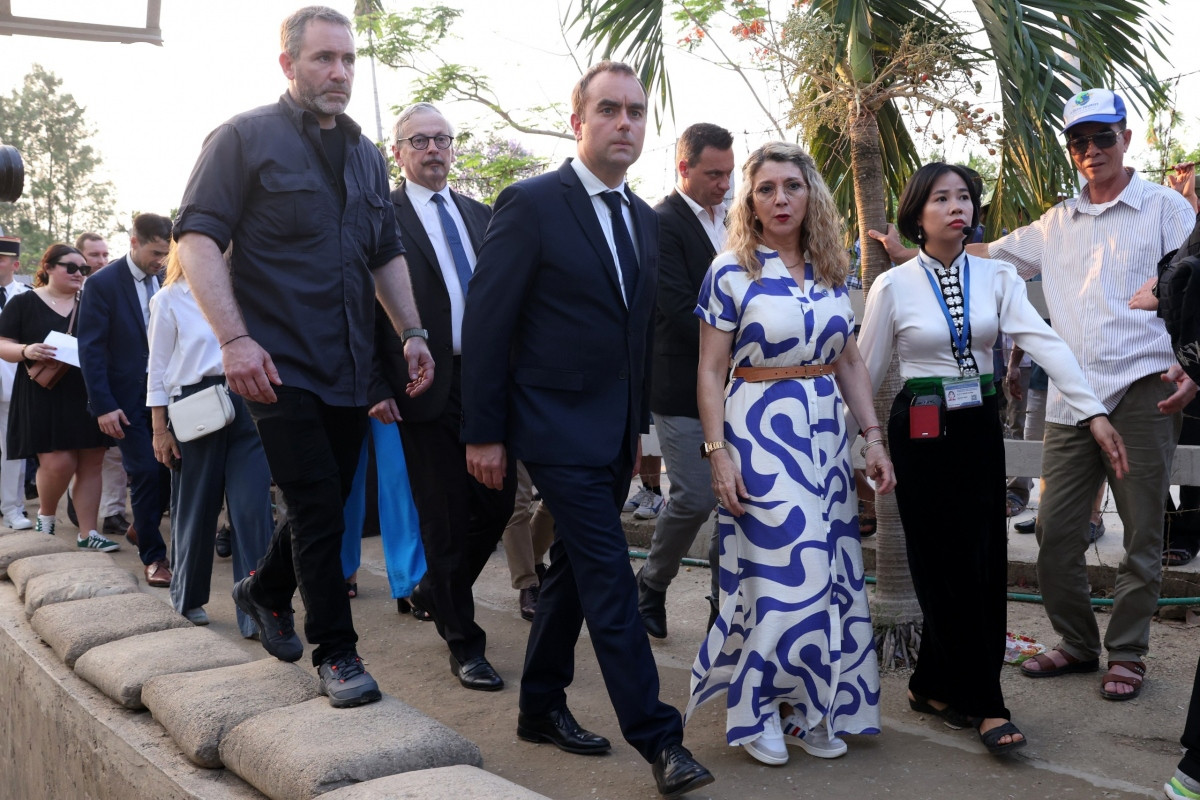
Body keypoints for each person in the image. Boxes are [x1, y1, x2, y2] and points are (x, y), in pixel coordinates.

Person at [870, 89, 1195, 703]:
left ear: (1126, 138)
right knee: (1054, 532)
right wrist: (909, 254)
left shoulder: (1165, 208)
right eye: (1080, 141)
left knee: (1141, 534)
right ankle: (1077, 642)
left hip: (1143, 390)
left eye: (1103, 136)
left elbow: (1192, 280)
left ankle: (1128, 652)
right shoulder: (1055, 223)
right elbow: (979, 253)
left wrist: (1192, 359)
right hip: (1073, 402)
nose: (1092, 149)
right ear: (1071, 151)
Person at [462, 61, 714, 799]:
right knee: (608, 576)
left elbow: (636, 334)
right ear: (578, 122)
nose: (624, 123)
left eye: (636, 111)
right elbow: (487, 324)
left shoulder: (643, 218)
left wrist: (636, 433)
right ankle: (660, 739)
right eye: (609, 109)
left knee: (573, 569)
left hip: (613, 433)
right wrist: (484, 432)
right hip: (551, 427)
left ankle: (539, 705)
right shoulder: (531, 203)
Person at [173, 5, 433, 709]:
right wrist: (234, 341)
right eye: (323, 58)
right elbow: (196, 239)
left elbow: (385, 252)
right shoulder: (241, 138)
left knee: (330, 499)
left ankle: (263, 588)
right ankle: (337, 653)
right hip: (275, 363)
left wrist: (412, 332)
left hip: (349, 365)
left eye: (347, 60)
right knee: (317, 503)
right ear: (288, 64)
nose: (339, 73)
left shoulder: (366, 154)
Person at [859, 161, 1128, 754]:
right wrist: (848, 445)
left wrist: (1092, 410)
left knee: (981, 562)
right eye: (941, 198)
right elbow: (865, 370)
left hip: (977, 429)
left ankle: (931, 685)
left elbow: (1044, 342)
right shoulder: (892, 286)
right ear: (916, 214)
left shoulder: (997, 277)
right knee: (941, 564)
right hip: (921, 433)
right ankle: (987, 704)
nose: (957, 207)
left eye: (964, 197)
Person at [686, 141, 894, 767]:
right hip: (757, 437)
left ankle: (813, 707)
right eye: (766, 188)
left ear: (811, 196)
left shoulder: (833, 268)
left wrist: (872, 438)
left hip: (824, 442)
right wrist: (718, 453)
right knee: (779, 579)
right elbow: (710, 369)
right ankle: (756, 710)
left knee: (829, 574)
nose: (780, 199)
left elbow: (848, 360)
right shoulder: (730, 270)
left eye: (792, 186)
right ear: (750, 201)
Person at [372, 101, 516, 691]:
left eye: (442, 139)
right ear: (398, 152)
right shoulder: (380, 216)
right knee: (445, 516)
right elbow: (360, 305)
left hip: (485, 380)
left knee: (497, 504)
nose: (433, 149)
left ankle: (435, 588)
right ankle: (464, 644)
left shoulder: (481, 214)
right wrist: (375, 385)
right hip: (421, 382)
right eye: (420, 140)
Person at [637, 122, 734, 639]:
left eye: (728, 173)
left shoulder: (737, 219)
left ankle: (725, 603)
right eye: (713, 174)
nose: (724, 183)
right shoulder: (660, 223)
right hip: (680, 386)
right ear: (684, 168)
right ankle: (652, 583)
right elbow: (675, 307)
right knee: (696, 497)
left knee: (736, 503)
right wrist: (744, 335)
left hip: (741, 387)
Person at [146, 245, 272, 633]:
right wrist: (159, 429)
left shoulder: (252, 290)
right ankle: (187, 597)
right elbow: (156, 368)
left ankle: (258, 609)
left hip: (250, 401)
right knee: (196, 508)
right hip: (195, 405)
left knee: (253, 510)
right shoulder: (169, 298)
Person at [77, 213, 174, 587]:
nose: (161, 261)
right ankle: (154, 557)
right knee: (146, 471)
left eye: (167, 253)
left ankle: (141, 526)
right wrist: (103, 405)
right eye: (156, 253)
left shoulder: (168, 278)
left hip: (168, 395)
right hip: (125, 400)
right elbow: (91, 349)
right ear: (134, 242)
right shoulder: (102, 284)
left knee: (169, 471)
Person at [0, 244, 115, 550]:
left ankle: (88, 533)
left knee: (91, 461)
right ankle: (46, 517)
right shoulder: (24, 302)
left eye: (84, 269)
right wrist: (27, 350)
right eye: (71, 267)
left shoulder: (92, 301)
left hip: (88, 390)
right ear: (48, 267)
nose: (79, 274)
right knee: (58, 462)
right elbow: (3, 343)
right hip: (43, 393)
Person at [73, 231, 130, 539]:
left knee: (113, 453)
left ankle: (112, 511)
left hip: (109, 382)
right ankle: (77, 499)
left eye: (105, 254)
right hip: (71, 384)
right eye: (94, 255)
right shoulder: (69, 290)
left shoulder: (115, 288)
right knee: (80, 452)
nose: (102, 260)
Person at [0, 236, 32, 530]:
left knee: (12, 451)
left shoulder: (28, 297)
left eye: (0, 259)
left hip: (12, 384)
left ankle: (12, 508)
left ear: (15, 264)